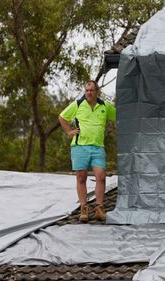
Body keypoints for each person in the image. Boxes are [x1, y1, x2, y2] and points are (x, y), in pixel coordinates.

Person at [59, 80, 116, 223]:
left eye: (91, 90)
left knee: (101, 177)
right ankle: (84, 208)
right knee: (81, 178)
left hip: (98, 148)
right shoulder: (78, 104)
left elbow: (119, 116)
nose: (89, 93)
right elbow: (62, 117)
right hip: (80, 147)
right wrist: (69, 131)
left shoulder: (104, 106)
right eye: (87, 90)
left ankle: (99, 208)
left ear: (97, 92)